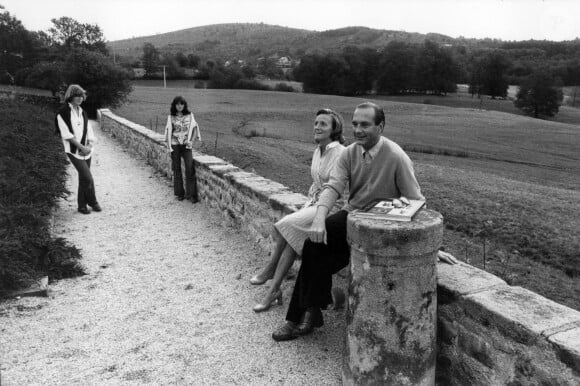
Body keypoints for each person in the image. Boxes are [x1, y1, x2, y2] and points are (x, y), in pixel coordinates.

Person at [272, 101, 426, 341]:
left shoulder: (396, 157)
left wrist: (431, 246)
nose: (358, 130)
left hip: (380, 226)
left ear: (381, 126)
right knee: (313, 245)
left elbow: (417, 201)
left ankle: (305, 315)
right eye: (355, 124)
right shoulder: (350, 153)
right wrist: (319, 219)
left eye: (365, 125)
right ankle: (304, 314)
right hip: (352, 216)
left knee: (319, 260)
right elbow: (332, 187)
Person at [250, 108, 346, 313]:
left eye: (323, 124)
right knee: (292, 240)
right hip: (314, 202)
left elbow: (337, 187)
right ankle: (273, 291)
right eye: (316, 123)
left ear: (334, 129)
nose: (317, 127)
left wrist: (318, 203)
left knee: (286, 224)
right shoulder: (317, 151)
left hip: (331, 207)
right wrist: (309, 202)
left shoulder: (340, 152)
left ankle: (270, 270)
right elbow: (316, 182)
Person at [55, 84, 101, 215]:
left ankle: (82, 206)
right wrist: (81, 147)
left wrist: (89, 146)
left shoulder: (82, 112)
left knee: (83, 178)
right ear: (70, 96)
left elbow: (89, 131)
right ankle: (92, 201)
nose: (80, 98)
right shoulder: (62, 112)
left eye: (82, 96)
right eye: (77, 96)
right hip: (74, 151)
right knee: (88, 178)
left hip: (87, 150)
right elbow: (66, 135)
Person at [164, 96, 201, 202]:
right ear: (174, 105)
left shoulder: (190, 116)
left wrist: (192, 142)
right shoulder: (171, 117)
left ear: (184, 105)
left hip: (186, 145)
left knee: (189, 168)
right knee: (177, 169)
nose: (179, 106)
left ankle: (191, 195)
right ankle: (180, 193)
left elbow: (195, 129)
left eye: (181, 104)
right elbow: (168, 130)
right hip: (175, 145)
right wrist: (168, 144)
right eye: (177, 104)